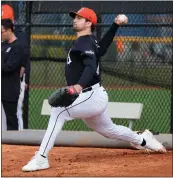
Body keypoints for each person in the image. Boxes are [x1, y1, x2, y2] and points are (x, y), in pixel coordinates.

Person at [22, 7, 166, 172]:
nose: (74, 20)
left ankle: (41, 158)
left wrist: (78, 86)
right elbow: (102, 49)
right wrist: (115, 25)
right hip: (91, 95)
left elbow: (90, 66)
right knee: (110, 131)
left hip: (90, 94)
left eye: (79, 18)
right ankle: (143, 140)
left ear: (89, 22)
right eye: (74, 17)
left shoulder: (86, 43)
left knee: (58, 111)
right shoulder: (88, 41)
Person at [1, 4, 31, 130]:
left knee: (14, 114)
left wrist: (22, 80)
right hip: (4, 81)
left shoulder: (20, 38)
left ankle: (18, 143)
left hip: (14, 80)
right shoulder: (4, 41)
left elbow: (22, 62)